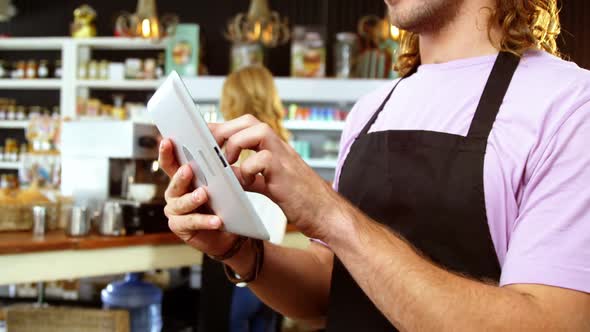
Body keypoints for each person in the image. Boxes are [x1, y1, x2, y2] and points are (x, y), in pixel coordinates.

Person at [160, 0, 590, 330]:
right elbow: (329, 289)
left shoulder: (569, 106)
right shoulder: (372, 111)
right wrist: (238, 249)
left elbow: (548, 321)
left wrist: (329, 212)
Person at [213, 65, 288, 332]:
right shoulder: (284, 151)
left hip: (238, 277)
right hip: (273, 274)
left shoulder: (229, 156)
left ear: (232, 102)